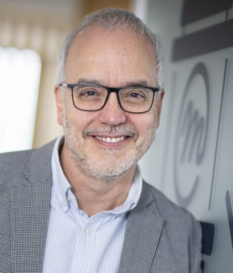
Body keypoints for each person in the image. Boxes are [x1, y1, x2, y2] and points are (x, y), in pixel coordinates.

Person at [0, 8, 201, 273]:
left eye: (135, 94)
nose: (113, 117)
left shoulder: (182, 234)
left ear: (158, 107)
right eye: (91, 92)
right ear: (61, 103)